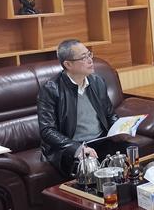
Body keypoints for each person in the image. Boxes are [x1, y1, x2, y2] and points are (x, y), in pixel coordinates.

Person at [38, 39, 119, 176]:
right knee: (91, 169)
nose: (90, 60)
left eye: (89, 54)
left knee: (131, 153)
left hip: (100, 140)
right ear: (68, 64)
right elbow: (47, 130)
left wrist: (121, 129)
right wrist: (77, 148)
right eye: (83, 57)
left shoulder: (97, 81)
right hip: (70, 147)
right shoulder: (51, 89)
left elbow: (110, 115)